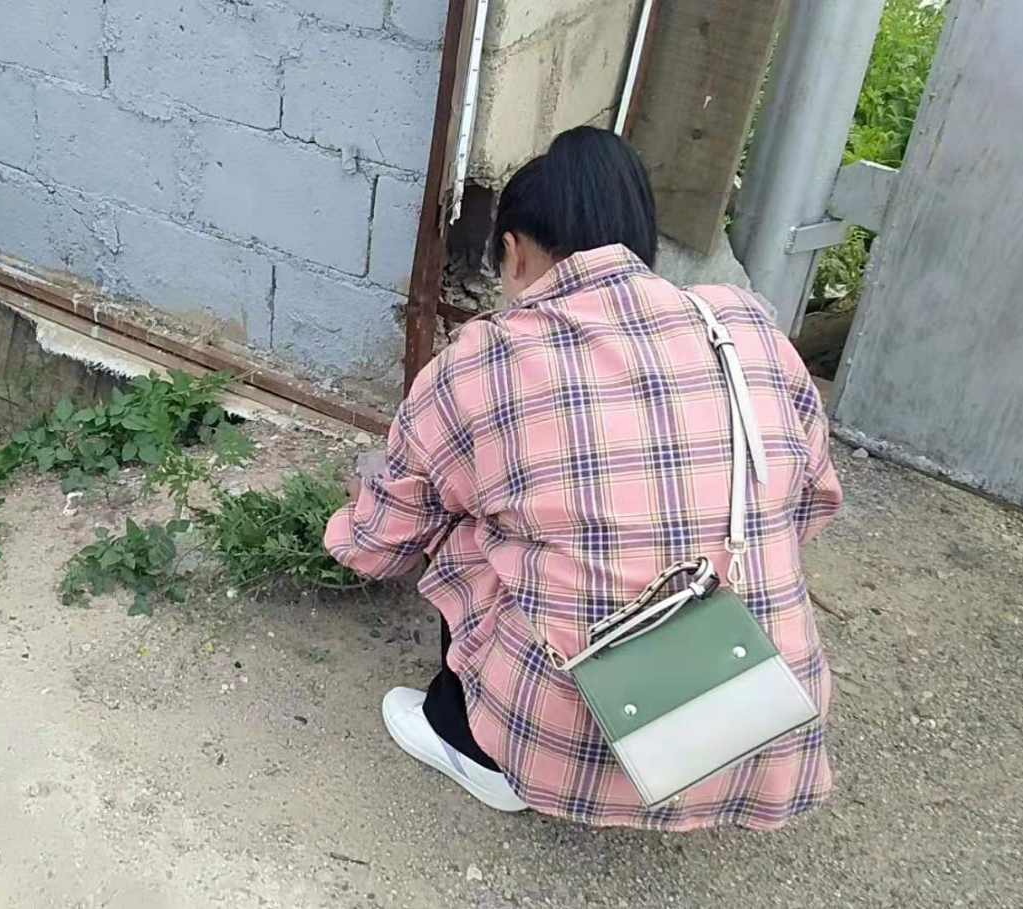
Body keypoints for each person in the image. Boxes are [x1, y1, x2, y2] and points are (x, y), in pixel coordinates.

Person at [326, 126, 843, 831]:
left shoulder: (486, 358)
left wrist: (351, 521)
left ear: (514, 252)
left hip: (579, 736)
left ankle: (474, 746)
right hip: (762, 707)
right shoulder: (743, 324)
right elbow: (810, 494)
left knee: (463, 529)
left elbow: (386, 539)